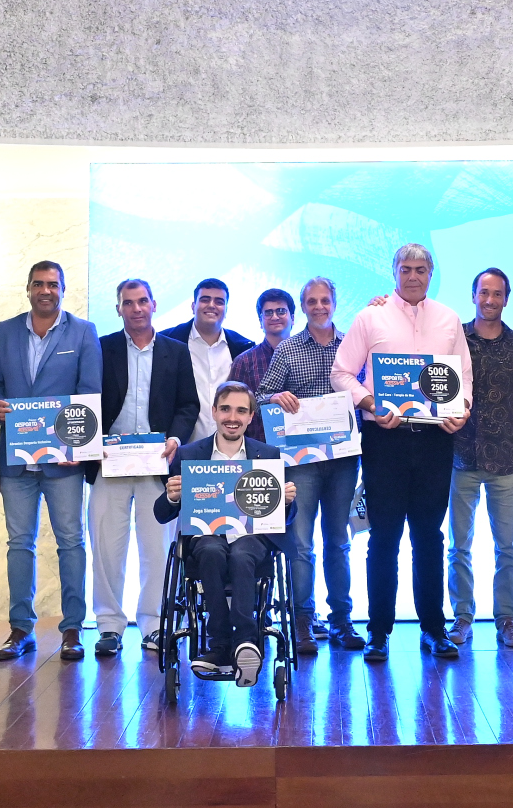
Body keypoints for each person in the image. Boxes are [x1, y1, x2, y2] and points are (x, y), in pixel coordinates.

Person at [332, 244, 474, 663]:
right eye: (406, 269)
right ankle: (378, 632)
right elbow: (341, 373)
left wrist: (462, 409)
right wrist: (369, 402)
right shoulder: (370, 317)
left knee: (430, 537)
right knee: (384, 537)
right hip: (385, 440)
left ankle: (434, 630)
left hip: (435, 439)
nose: (413, 276)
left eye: (421, 269)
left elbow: (464, 376)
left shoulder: (448, 319)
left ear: (431, 273)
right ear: (394, 271)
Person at [0, 260, 103, 662]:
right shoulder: (5, 331)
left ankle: (72, 628)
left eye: (53, 284)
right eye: (38, 284)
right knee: (19, 543)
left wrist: (78, 447)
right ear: (28, 288)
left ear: (63, 289)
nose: (45, 291)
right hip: (17, 460)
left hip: (63, 460)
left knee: (71, 542)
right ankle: (21, 629)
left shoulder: (83, 331)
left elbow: (89, 394)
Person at [155, 381, 297, 685]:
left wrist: (286, 502)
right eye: (226, 409)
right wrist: (172, 497)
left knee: (242, 553)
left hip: (253, 538)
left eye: (241, 411)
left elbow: (286, 517)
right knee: (210, 550)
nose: (233, 417)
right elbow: (161, 513)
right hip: (207, 537)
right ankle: (219, 644)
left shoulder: (268, 454)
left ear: (251, 416)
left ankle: (245, 642)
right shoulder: (190, 454)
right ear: (214, 412)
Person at [89, 278, 196, 658]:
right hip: (109, 462)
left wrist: (176, 438)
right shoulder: (100, 348)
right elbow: (86, 400)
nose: (136, 308)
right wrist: (90, 443)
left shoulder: (175, 351)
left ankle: (154, 624)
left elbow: (188, 405)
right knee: (106, 546)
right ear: (118, 308)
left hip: (157, 463)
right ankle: (108, 625)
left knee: (157, 547)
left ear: (153, 304)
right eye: (128, 302)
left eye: (142, 301)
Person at [259, 276, 365, 654]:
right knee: (301, 543)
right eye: (312, 302)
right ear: (303, 307)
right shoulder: (287, 349)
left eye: (325, 301)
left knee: (339, 542)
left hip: (343, 460)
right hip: (300, 461)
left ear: (334, 303)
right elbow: (260, 395)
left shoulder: (353, 345)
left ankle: (341, 621)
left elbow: (367, 392)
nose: (319, 307)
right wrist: (276, 396)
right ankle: (302, 619)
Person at [448, 268, 513, 650]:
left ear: (506, 299)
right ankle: (462, 618)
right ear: (473, 296)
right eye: (484, 292)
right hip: (461, 456)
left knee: (507, 546)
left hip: (507, 458)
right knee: (458, 546)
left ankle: (507, 620)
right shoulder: (455, 341)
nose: (490, 300)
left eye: (497, 293)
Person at [162, 278, 253, 441]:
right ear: (193, 306)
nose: (212, 305)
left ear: (226, 309)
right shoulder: (166, 341)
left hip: (231, 447)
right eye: (205, 299)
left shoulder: (243, 347)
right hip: (178, 446)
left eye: (219, 301)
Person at [226, 288, 295, 426]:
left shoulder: (307, 355)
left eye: (281, 311)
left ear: (292, 318)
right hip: (258, 438)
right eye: (268, 313)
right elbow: (232, 408)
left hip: (307, 438)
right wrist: (268, 400)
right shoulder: (244, 362)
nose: (275, 317)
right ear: (260, 321)